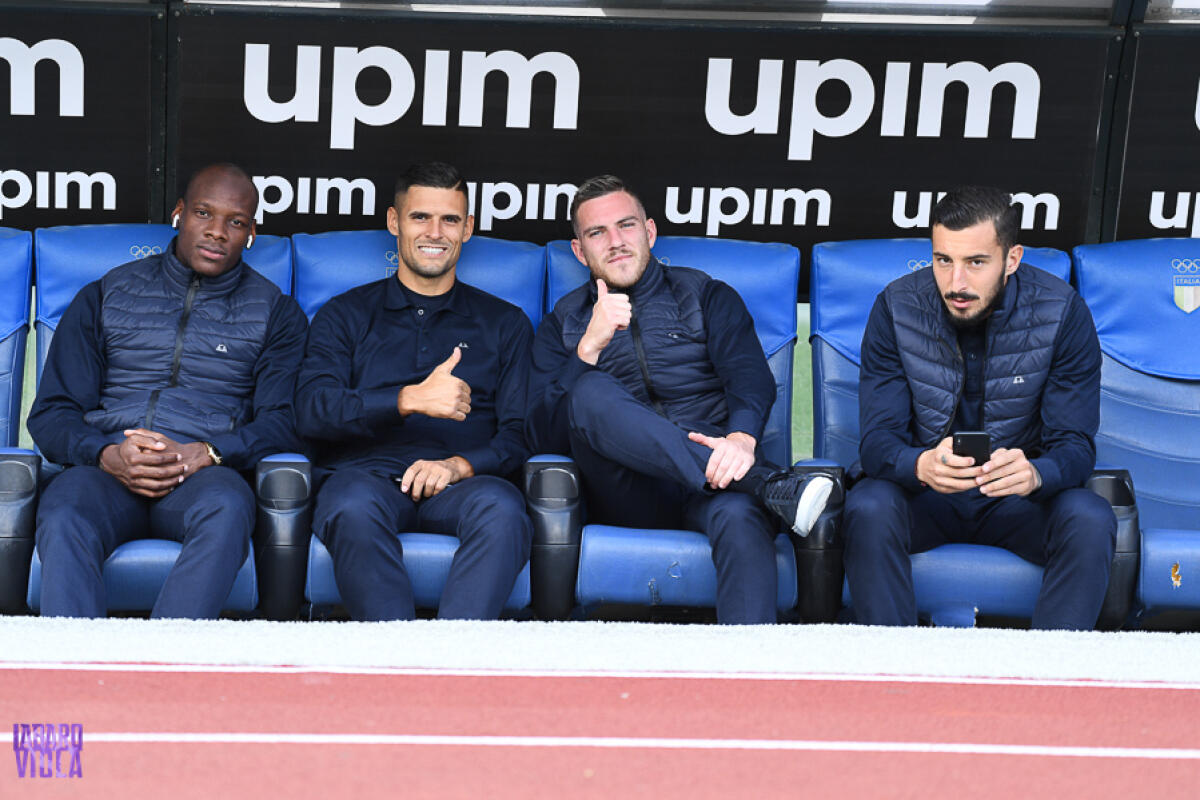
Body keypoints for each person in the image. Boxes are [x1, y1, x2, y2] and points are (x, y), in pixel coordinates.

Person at [526, 174, 833, 625]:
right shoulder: (564, 324)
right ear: (579, 250)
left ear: (649, 232)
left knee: (741, 518)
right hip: (624, 491)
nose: (615, 242)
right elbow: (539, 434)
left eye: (626, 226)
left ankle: (753, 678)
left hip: (720, 483)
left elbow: (750, 379)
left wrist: (744, 440)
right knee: (587, 390)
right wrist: (587, 349)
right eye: (597, 233)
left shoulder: (706, 295)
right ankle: (766, 485)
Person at [29, 163, 309, 619]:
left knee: (228, 508)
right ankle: (76, 672)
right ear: (179, 214)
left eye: (235, 222)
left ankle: (166, 666)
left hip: (202, 477)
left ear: (251, 233)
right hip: (107, 470)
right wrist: (105, 453)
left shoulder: (277, 313)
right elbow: (52, 413)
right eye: (204, 213)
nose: (217, 232)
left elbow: (283, 421)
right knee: (63, 512)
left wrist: (209, 452)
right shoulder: (105, 294)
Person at [842, 186, 1117, 629]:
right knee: (869, 505)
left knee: (1089, 517)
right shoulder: (895, 307)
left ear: (1012, 259)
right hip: (927, 496)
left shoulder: (1063, 312)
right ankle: (892, 675)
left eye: (976, 262)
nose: (957, 283)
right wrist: (921, 465)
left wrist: (1035, 473)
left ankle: (1051, 681)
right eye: (943, 260)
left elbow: (1075, 446)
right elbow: (877, 443)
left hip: (1017, 500)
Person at [295, 161, 533, 621]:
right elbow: (311, 410)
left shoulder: (505, 323)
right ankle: (395, 663)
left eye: (449, 219)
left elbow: (522, 433)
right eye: (420, 217)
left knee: (504, 512)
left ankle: (450, 667)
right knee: (349, 507)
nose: (435, 232)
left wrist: (458, 466)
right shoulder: (344, 314)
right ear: (394, 222)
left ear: (468, 229)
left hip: (465, 483)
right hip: (366, 479)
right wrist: (408, 399)